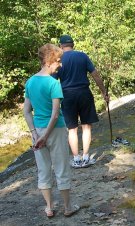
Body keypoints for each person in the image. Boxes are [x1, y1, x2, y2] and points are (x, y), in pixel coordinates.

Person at [23, 43, 80, 218]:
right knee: (61, 168)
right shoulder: (53, 83)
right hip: (55, 130)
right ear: (48, 61)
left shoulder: (30, 82)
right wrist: (46, 136)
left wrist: (35, 135)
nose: (60, 64)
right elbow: (55, 115)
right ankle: (67, 207)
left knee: (43, 169)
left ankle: (49, 208)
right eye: (57, 61)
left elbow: (26, 111)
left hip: (38, 130)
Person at [53, 35, 109, 168]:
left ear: (61, 46)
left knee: (72, 129)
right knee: (86, 126)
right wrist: (103, 92)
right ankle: (86, 157)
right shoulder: (82, 56)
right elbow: (95, 74)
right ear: (73, 44)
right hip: (84, 93)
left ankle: (76, 159)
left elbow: (53, 81)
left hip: (66, 95)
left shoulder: (58, 59)